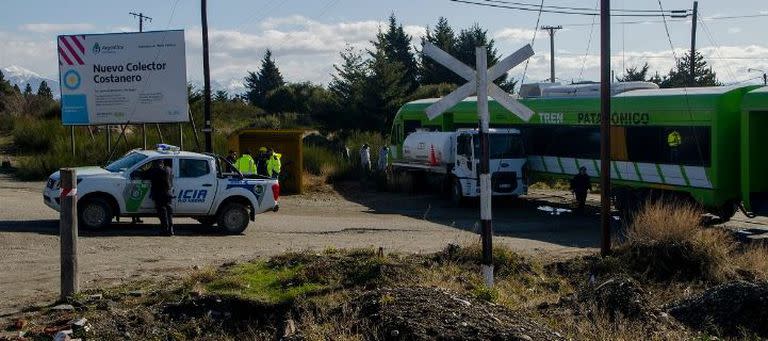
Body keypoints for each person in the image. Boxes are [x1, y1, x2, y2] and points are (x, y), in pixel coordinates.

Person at [143, 159, 174, 236]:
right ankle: (171, 230)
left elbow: (145, 175)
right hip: (168, 193)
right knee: (169, 212)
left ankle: (164, 230)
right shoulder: (169, 169)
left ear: (156, 164)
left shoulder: (155, 171)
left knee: (162, 212)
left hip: (160, 194)